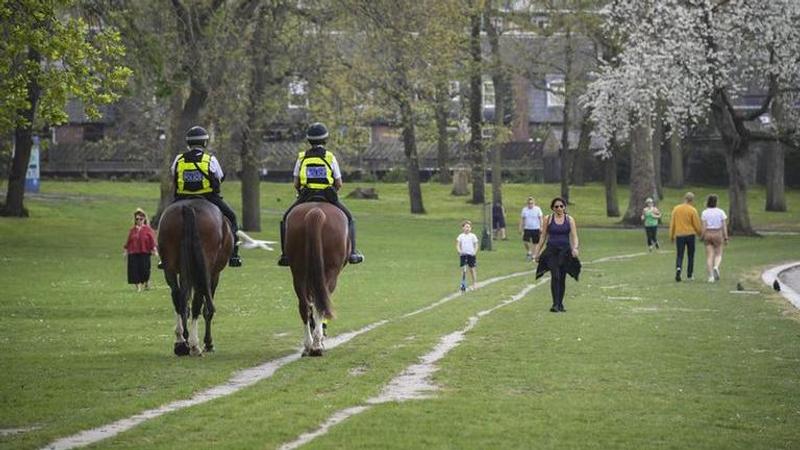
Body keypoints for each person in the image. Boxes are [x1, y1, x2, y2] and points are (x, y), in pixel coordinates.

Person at [277, 122, 364, 266]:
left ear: (309, 140)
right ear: (325, 139)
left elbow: (296, 183)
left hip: (306, 195)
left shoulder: (301, 158)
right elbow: (339, 182)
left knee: (286, 218)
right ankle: (353, 253)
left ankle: (285, 254)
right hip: (327, 195)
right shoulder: (330, 157)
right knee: (349, 218)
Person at [170, 125, 242, 267]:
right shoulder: (210, 160)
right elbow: (219, 177)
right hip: (208, 198)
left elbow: (174, 174)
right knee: (232, 217)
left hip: (182, 198)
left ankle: (164, 256)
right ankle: (234, 255)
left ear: (188, 143)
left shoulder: (179, 159)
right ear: (205, 142)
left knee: (165, 220)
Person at [534, 197, 581, 313]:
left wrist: (575, 248)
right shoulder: (548, 219)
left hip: (565, 252)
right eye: (556, 206)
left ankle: (560, 304)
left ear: (564, 207)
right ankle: (555, 304)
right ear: (553, 208)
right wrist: (537, 252)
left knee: (562, 277)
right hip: (552, 251)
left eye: (561, 206)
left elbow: (574, 236)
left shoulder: (569, 219)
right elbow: (543, 236)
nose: (559, 208)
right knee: (555, 276)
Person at [669, 192, 702, 282]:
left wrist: (671, 235)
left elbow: (673, 223)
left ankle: (678, 268)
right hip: (690, 234)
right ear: (692, 200)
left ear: (684, 198)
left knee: (680, 254)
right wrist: (700, 234)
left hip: (679, 234)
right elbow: (696, 224)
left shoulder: (676, 209)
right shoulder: (692, 210)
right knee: (690, 255)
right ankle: (689, 274)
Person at [124, 208, 158, 292]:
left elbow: (152, 240)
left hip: (144, 252)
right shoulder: (132, 230)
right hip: (133, 252)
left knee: (145, 269)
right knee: (134, 270)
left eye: (141, 219)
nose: (139, 220)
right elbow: (128, 241)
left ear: (144, 219)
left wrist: (154, 249)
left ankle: (146, 282)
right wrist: (125, 250)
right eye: (137, 219)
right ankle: (138, 287)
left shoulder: (148, 229)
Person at [701, 194, 729, 283]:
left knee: (709, 256)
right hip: (717, 233)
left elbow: (704, 226)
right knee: (718, 253)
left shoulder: (705, 212)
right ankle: (716, 266)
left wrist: (702, 236)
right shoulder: (721, 212)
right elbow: (724, 225)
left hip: (708, 233)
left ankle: (711, 276)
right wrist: (726, 237)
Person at [456, 220, 479, 290]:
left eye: (469, 227)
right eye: (466, 227)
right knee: (464, 270)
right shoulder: (461, 236)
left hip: (471, 255)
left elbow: (476, 244)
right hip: (463, 255)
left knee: (472, 269)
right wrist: (459, 251)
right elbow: (458, 244)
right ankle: (463, 283)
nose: (467, 228)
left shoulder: (473, 236)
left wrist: (475, 251)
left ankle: (474, 283)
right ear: (463, 228)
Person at [519, 196, 543, 261]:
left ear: (534, 203)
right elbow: (522, 219)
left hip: (536, 228)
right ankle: (529, 251)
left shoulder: (537, 209)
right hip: (527, 228)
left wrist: (541, 227)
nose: (530, 204)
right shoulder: (524, 210)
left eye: (532, 203)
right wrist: (520, 227)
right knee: (525, 241)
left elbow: (540, 218)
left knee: (535, 242)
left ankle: (534, 255)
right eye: (529, 203)